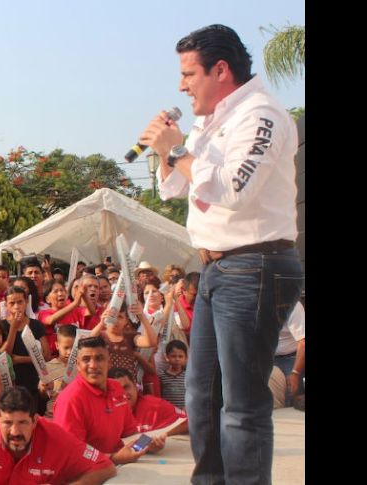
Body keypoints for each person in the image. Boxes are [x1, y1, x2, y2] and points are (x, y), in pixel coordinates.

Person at [140, 24, 304, 483]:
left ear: (221, 70)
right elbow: (174, 188)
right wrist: (166, 153)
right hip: (216, 267)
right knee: (201, 396)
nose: (181, 85)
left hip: (255, 264)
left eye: (188, 73)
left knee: (242, 405)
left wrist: (178, 151)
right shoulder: (208, 121)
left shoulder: (261, 114)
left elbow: (233, 189)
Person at [0, 386, 116, 485]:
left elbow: (104, 467)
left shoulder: (56, 436)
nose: (15, 432)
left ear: (35, 421)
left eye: (23, 423)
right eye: (7, 423)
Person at [53, 336, 165, 464]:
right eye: (86, 359)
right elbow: (71, 452)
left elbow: (130, 434)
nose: (93, 365)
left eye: (99, 358)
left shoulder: (116, 387)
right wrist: (114, 458)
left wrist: (147, 444)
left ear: (109, 363)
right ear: (78, 365)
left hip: (118, 466)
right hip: (88, 471)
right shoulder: (70, 399)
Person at [109, 367, 189, 436]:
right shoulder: (105, 414)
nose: (123, 394)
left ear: (135, 387)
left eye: (126, 387)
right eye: (116, 390)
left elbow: (189, 424)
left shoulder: (156, 405)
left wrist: (161, 435)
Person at [38, 324, 75, 418]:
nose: (69, 352)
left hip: (74, 416)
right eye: (66, 348)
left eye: (74, 348)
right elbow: (43, 396)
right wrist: (43, 388)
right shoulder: (47, 367)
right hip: (52, 417)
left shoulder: (82, 368)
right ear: (57, 345)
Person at [274, 300, 305, 406]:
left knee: (291, 393)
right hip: (267, 356)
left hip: (292, 357)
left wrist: (295, 372)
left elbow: (303, 342)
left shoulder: (293, 306)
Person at [159, 340, 188, 409]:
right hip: (169, 411)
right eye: (173, 356)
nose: (177, 359)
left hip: (184, 411)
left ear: (186, 358)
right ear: (167, 357)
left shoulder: (187, 375)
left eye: (180, 356)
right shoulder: (162, 376)